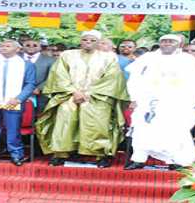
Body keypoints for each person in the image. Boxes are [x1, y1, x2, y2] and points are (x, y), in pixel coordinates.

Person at [35, 30, 129, 168]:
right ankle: (61, 154)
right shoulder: (67, 55)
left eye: (92, 40)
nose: (88, 43)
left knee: (97, 123)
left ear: (98, 42)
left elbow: (113, 79)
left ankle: (100, 154)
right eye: (85, 40)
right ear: (80, 41)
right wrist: (73, 92)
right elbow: (59, 75)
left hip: (97, 96)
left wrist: (89, 93)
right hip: (69, 95)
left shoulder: (109, 58)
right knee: (64, 120)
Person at [125, 34, 195, 170]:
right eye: (164, 41)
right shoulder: (148, 58)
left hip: (175, 104)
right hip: (148, 103)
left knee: (174, 132)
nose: (167, 43)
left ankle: (176, 161)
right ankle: (138, 159)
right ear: (160, 43)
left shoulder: (187, 60)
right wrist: (134, 98)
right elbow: (134, 79)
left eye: (171, 41)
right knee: (143, 130)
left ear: (178, 44)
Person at [21, 38, 55, 114]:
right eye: (28, 45)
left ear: (40, 47)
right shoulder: (16, 58)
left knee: (38, 116)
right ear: (23, 47)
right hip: (17, 94)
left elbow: (52, 77)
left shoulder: (50, 60)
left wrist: (39, 88)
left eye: (35, 45)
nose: (31, 47)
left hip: (39, 95)